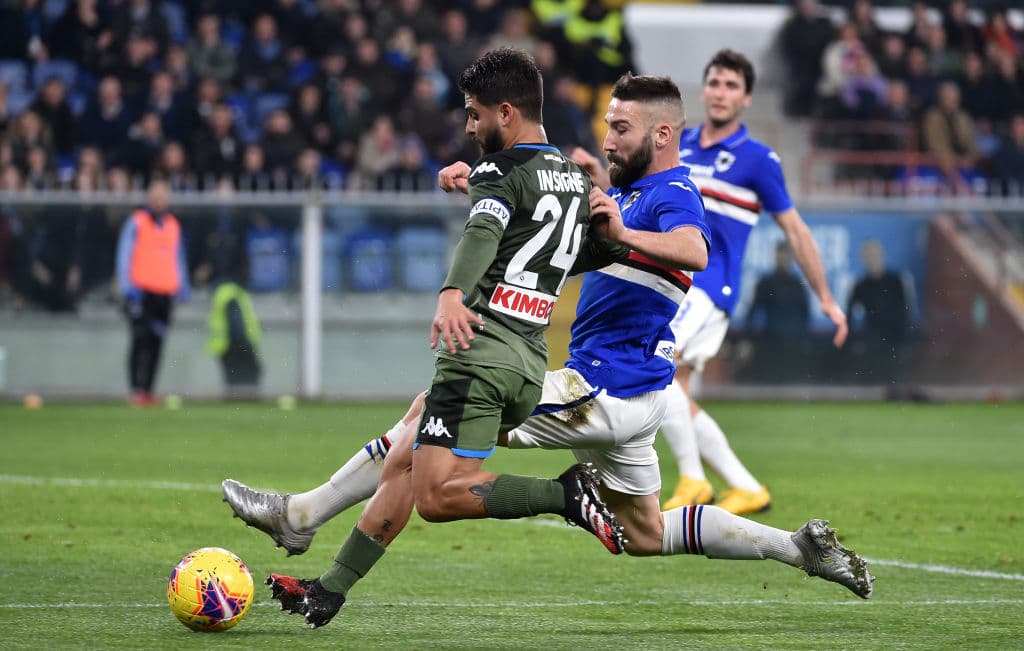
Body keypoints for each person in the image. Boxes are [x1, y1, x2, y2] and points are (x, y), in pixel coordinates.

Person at [222, 71, 872, 629]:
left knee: (427, 419)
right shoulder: (629, 194)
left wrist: (620, 228)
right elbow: (545, 222)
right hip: (639, 392)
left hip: (602, 388)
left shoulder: (672, 195)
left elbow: (696, 251)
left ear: (663, 135)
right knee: (643, 534)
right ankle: (796, 548)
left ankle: (301, 515)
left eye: (620, 128)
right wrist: (487, 179)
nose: (609, 138)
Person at [254, 47, 627, 625]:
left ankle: (567, 494)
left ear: (507, 112)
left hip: (476, 358)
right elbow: (569, 254)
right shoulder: (573, 182)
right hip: (526, 366)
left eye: (475, 115)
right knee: (404, 457)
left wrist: (453, 291)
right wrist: (614, 236)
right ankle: (327, 589)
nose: (470, 127)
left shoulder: (498, 173)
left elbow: (485, 230)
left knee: (438, 496)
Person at [659, 49, 848, 516]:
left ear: (746, 99)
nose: (720, 92)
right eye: (715, 83)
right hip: (670, 285)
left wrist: (825, 296)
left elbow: (796, 231)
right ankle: (745, 487)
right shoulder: (679, 149)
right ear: (703, 90)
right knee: (674, 389)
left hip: (708, 285)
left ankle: (693, 480)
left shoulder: (757, 159)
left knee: (653, 367)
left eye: (731, 86)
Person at [115, 178, 190, 406]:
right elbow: (124, 254)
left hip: (164, 293)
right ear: (149, 198)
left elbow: (178, 258)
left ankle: (148, 391)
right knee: (140, 340)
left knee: (157, 342)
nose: (159, 201)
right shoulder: (136, 222)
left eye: (163, 196)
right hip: (141, 292)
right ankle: (136, 390)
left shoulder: (173, 225)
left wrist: (183, 287)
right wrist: (128, 287)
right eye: (155, 196)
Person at [847, 239, 909, 385]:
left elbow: (905, 309)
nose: (872, 259)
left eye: (874, 255)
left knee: (893, 378)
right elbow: (849, 313)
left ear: (881, 256)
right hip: (872, 338)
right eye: (868, 256)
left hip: (894, 337)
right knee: (872, 378)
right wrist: (856, 339)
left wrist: (902, 336)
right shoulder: (861, 285)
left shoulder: (895, 281)